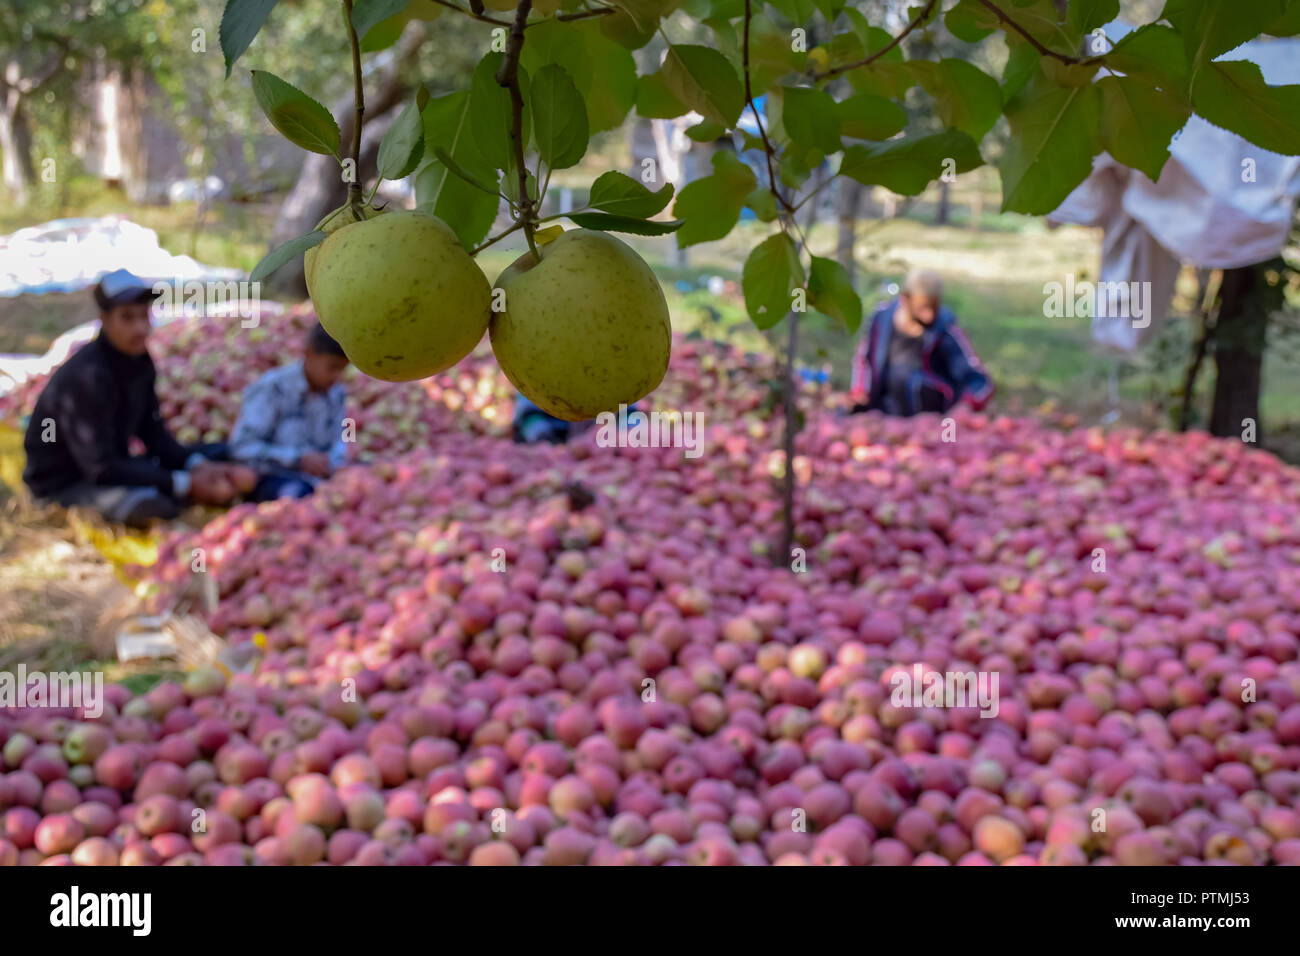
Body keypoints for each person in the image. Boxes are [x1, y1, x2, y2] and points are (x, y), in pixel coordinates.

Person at [22, 269, 255, 527]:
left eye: (144, 316)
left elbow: (153, 434)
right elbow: (100, 468)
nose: (140, 328)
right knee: (151, 506)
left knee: (219, 453)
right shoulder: (86, 378)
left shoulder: (140, 362)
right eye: (127, 318)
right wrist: (183, 483)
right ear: (104, 320)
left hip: (112, 466)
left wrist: (197, 465)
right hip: (67, 483)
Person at [228, 322, 351, 501]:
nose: (337, 377)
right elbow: (241, 448)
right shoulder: (272, 388)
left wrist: (338, 462)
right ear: (309, 353)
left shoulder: (337, 392)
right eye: (332, 367)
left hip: (322, 479)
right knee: (296, 495)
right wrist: (298, 459)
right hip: (276, 477)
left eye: (342, 370)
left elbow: (344, 436)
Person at [849, 268, 994, 416]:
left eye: (934, 308)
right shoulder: (881, 320)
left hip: (933, 422)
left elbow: (979, 380)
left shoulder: (946, 329)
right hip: (883, 418)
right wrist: (860, 392)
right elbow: (863, 360)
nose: (929, 316)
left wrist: (966, 405)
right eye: (923, 308)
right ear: (905, 298)